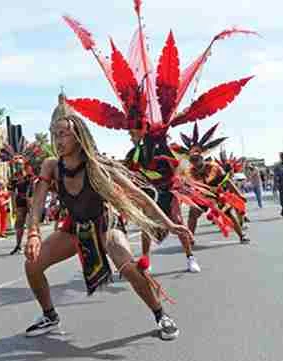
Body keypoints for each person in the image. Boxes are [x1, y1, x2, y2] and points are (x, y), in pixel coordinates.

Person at [63, 4, 251, 273]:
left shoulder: (162, 138)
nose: (129, 134)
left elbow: (174, 162)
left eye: (132, 130)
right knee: (146, 225)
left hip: (169, 188)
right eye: (128, 131)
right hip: (149, 192)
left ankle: (190, 257)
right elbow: (128, 172)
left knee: (175, 220)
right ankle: (146, 263)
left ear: (140, 127)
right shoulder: (135, 152)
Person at [22, 94, 191, 340]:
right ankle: (49, 316)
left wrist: (170, 223)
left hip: (105, 225)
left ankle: (161, 314)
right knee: (32, 265)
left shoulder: (99, 166)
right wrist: (33, 234)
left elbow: (138, 196)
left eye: (63, 134)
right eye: (55, 134)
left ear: (78, 137)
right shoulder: (51, 166)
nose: (57, 140)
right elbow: (36, 205)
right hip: (75, 227)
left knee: (130, 269)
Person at [177, 124, 250, 244]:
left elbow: (227, 182)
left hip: (217, 195)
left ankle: (242, 235)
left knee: (228, 214)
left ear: (202, 158)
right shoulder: (189, 171)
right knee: (192, 214)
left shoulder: (214, 167)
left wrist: (239, 194)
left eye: (197, 159)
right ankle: (190, 238)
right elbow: (186, 187)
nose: (194, 162)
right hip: (201, 197)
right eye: (192, 160)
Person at [0, 139, 42, 255]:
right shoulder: (14, 178)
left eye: (19, 164)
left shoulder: (30, 175)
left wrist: (33, 202)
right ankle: (18, 245)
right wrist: (14, 207)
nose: (17, 166)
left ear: (24, 163)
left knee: (32, 222)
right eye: (15, 164)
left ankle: (38, 242)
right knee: (19, 223)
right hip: (20, 201)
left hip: (31, 200)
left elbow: (36, 187)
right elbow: (11, 193)